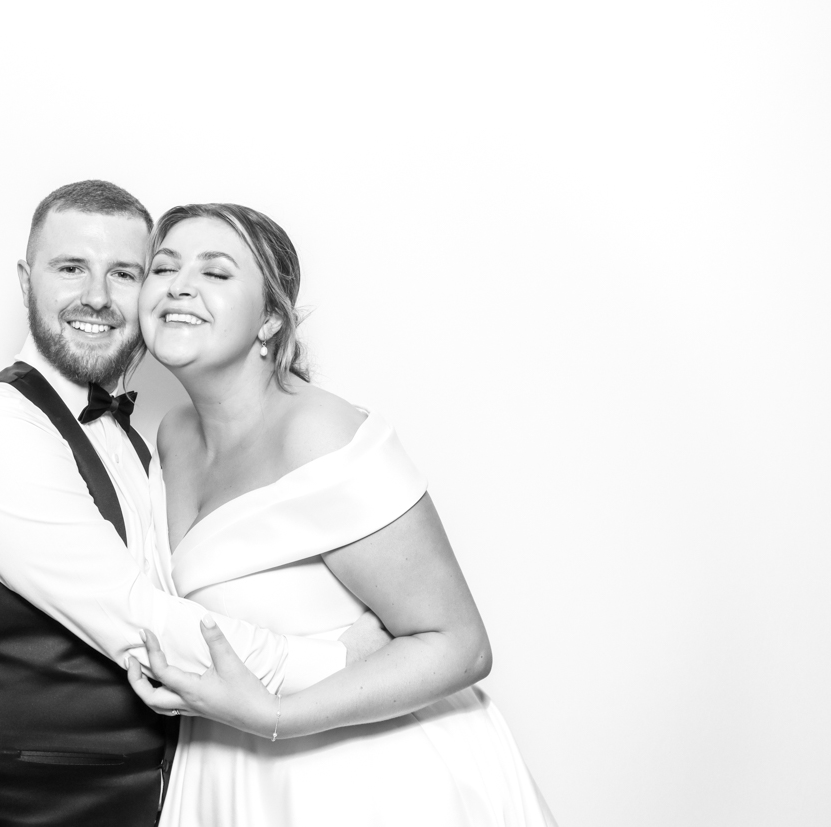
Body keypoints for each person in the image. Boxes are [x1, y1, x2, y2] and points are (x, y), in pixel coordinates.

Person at [0, 182, 381, 827]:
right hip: (21, 811)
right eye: (71, 267)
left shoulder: (135, 439)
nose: (97, 297)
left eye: (124, 273)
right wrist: (340, 660)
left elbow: (193, 595)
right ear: (26, 280)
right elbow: (141, 620)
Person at [126, 203, 557, 826]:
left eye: (216, 273)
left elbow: (460, 646)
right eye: (163, 268)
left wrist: (275, 718)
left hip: (371, 784)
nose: (179, 285)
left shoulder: (322, 435)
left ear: (271, 318)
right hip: (230, 774)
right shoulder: (172, 435)